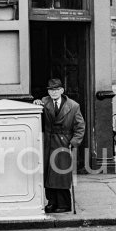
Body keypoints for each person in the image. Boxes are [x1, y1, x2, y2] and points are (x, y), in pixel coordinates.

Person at [33, 78, 85, 213]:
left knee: (61, 173)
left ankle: (64, 204)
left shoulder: (73, 106)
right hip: (49, 142)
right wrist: (36, 104)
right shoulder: (44, 102)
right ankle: (51, 202)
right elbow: (36, 114)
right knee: (49, 173)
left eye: (56, 89)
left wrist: (73, 143)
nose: (53, 92)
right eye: (51, 90)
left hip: (64, 143)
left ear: (62, 90)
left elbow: (80, 127)